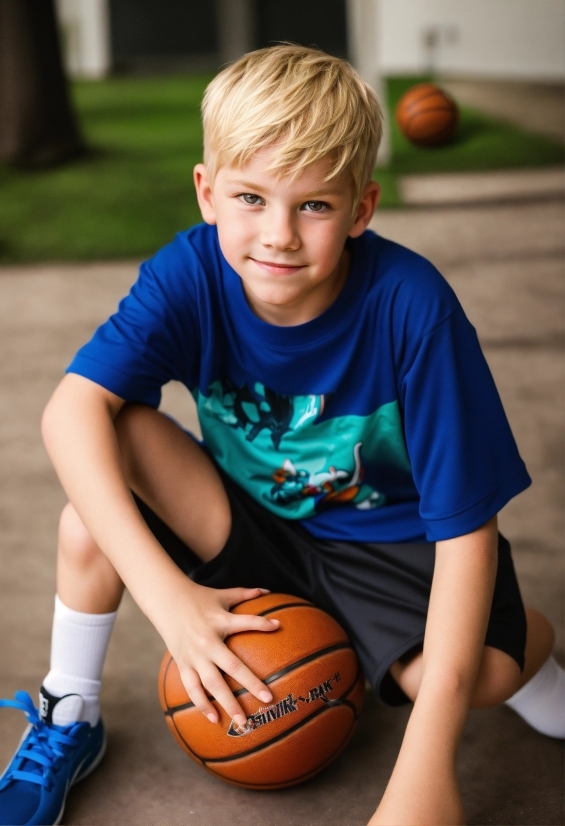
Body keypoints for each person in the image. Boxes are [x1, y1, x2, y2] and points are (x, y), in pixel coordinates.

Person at [1, 45, 563, 826]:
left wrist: (424, 778)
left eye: (314, 206)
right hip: (249, 518)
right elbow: (69, 413)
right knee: (95, 492)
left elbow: (467, 532)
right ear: (206, 193)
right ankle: (71, 712)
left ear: (361, 210)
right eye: (250, 198)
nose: (279, 235)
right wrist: (173, 602)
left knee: (476, 676)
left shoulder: (412, 308)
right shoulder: (188, 274)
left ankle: (533, 658)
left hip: (391, 546)